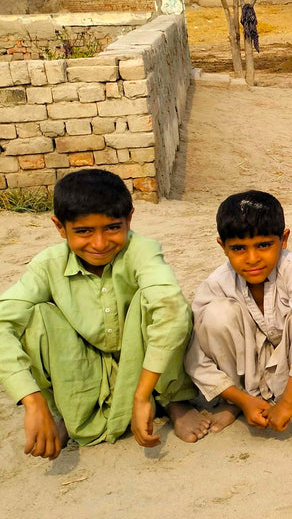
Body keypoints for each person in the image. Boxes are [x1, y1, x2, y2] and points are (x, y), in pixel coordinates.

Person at [0, 169, 208, 460]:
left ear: (129, 219)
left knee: (167, 305)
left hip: (142, 361)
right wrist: (32, 401)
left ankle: (173, 400)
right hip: (86, 363)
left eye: (112, 228)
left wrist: (141, 396)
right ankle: (66, 412)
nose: (99, 244)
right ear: (60, 227)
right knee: (35, 318)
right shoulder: (47, 265)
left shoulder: (142, 251)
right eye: (83, 231)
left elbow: (170, 310)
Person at [185, 191, 292, 433]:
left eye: (263, 245)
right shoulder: (217, 283)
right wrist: (241, 399)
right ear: (223, 247)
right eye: (239, 248)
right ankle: (237, 400)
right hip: (254, 369)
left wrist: (287, 403)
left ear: (283, 240)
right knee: (214, 316)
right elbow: (195, 354)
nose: (252, 258)